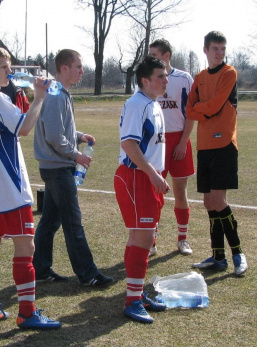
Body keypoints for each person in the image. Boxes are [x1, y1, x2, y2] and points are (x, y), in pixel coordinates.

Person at [0, 46, 61, 329]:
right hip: (9, 185)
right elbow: (24, 127)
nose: (9, 71)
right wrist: (40, 98)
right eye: (3, 66)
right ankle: (27, 313)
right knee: (25, 247)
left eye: (9, 66)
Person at [33, 49, 113, 286]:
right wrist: (77, 155)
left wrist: (78, 135)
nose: (82, 71)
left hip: (55, 167)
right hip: (58, 168)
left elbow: (61, 130)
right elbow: (55, 137)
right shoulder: (57, 95)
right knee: (72, 222)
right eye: (78, 66)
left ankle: (40, 269)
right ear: (64, 68)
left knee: (50, 221)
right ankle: (88, 274)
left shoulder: (61, 93)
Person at [185, 31, 248, 276]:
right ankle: (218, 257)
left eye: (222, 49)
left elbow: (212, 107)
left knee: (219, 201)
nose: (219, 53)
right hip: (204, 147)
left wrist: (204, 109)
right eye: (215, 49)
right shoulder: (199, 77)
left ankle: (238, 253)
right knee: (208, 202)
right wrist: (205, 110)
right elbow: (190, 110)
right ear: (206, 50)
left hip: (224, 146)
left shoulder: (229, 73)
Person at [114, 56, 170, 324]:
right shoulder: (138, 104)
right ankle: (133, 300)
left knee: (139, 237)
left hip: (145, 177)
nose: (165, 80)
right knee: (144, 238)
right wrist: (152, 175)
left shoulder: (153, 104)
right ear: (145, 80)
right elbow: (129, 145)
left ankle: (135, 293)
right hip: (136, 177)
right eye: (160, 76)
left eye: (166, 75)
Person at [148, 39, 195, 257]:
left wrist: (183, 141)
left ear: (166, 56)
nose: (151, 58)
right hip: (157, 142)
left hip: (179, 140)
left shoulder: (183, 79)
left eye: (155, 54)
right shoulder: (148, 79)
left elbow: (191, 114)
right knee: (154, 193)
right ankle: (152, 240)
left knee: (179, 191)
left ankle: (183, 239)